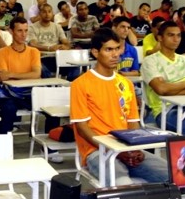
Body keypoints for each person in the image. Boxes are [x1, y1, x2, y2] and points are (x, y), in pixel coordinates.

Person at [71, 28, 167, 186]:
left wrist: (133, 148)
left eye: (117, 49)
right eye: (109, 49)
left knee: (175, 175)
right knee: (122, 186)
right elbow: (82, 127)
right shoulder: (80, 84)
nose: (115, 54)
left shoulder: (126, 84)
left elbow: (133, 123)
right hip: (97, 151)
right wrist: (114, 150)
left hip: (126, 147)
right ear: (95, 52)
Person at [141, 21, 185, 134]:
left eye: (178, 35)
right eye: (171, 35)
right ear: (160, 38)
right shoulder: (150, 61)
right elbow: (161, 89)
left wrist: (170, 90)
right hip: (164, 110)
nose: (176, 39)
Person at [0, 16, 41, 134]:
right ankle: (3, 140)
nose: (23, 34)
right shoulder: (3, 52)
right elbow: (3, 77)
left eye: (26, 31)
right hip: (9, 93)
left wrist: (11, 74)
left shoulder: (34, 51)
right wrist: (26, 75)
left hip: (30, 92)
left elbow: (36, 74)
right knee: (8, 108)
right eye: (19, 30)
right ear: (11, 31)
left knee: (51, 106)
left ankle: (49, 147)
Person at [28, 3, 72, 78]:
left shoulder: (57, 26)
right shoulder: (32, 27)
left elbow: (66, 42)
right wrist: (49, 48)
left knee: (76, 68)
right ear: (39, 14)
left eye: (49, 11)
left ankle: (67, 88)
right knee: (42, 70)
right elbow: (33, 44)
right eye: (44, 12)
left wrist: (65, 47)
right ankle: (50, 87)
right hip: (41, 58)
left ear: (52, 14)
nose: (47, 14)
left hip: (57, 57)